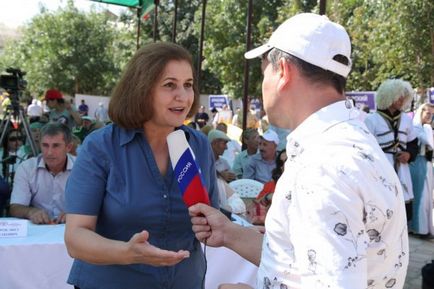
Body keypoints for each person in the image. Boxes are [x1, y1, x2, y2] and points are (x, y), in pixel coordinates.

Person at [189, 13, 409, 289]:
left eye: (264, 72)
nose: (263, 84)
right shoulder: (349, 142)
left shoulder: (324, 166)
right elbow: (306, 262)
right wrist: (229, 233)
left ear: (283, 71)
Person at [64, 42, 219, 289]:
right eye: (170, 85)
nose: (183, 96)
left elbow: (211, 218)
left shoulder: (199, 145)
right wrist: (127, 252)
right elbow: (75, 238)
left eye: (188, 85)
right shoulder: (101, 147)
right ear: (141, 89)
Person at [364, 79, 418, 221]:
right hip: (381, 169)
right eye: (398, 95)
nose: (401, 99)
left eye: (404, 96)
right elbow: (365, 148)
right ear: (388, 95)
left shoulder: (406, 119)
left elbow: (413, 143)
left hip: (402, 170)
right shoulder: (372, 119)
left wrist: (409, 154)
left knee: (403, 212)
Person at [9, 122, 75, 224]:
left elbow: (94, 204)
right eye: (45, 145)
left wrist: (75, 213)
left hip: (72, 228)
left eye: (56, 146)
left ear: (68, 147)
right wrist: (30, 212)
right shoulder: (26, 168)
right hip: (38, 229)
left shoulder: (81, 168)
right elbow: (15, 207)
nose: (49, 152)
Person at [409, 103, 434, 237]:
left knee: (427, 197)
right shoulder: (417, 128)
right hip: (417, 164)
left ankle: (425, 228)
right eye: (428, 113)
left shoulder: (427, 128)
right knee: (420, 196)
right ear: (421, 113)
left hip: (427, 164)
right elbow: (428, 142)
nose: (430, 116)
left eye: (432, 114)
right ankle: (419, 228)